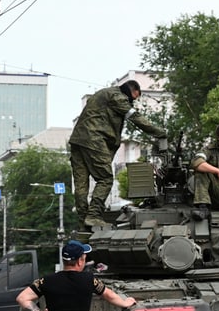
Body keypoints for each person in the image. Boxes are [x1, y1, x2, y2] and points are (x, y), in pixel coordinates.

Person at [69, 80, 167, 230]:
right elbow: (135, 117)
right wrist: (159, 132)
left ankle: (84, 221)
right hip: (94, 138)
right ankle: (93, 216)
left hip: (78, 140)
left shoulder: (104, 94)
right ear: (132, 89)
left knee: (81, 184)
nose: (133, 101)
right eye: (135, 97)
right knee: (105, 178)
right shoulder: (118, 96)